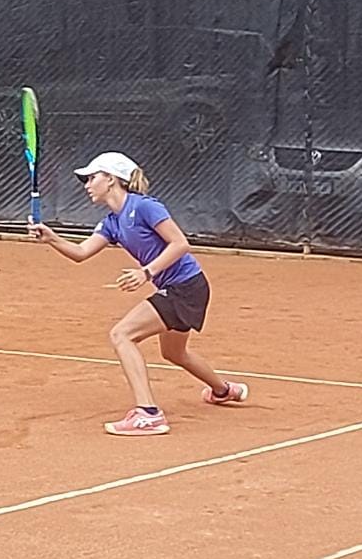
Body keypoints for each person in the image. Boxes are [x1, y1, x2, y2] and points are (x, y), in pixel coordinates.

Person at [27, 151, 248, 436]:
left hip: (185, 287)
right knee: (174, 352)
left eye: (92, 177)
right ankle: (223, 390)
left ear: (111, 179)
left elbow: (180, 243)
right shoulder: (112, 222)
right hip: (180, 288)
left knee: (122, 335)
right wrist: (52, 238)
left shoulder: (144, 207)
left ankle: (149, 413)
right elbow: (81, 253)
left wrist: (146, 272)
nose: (86, 184)